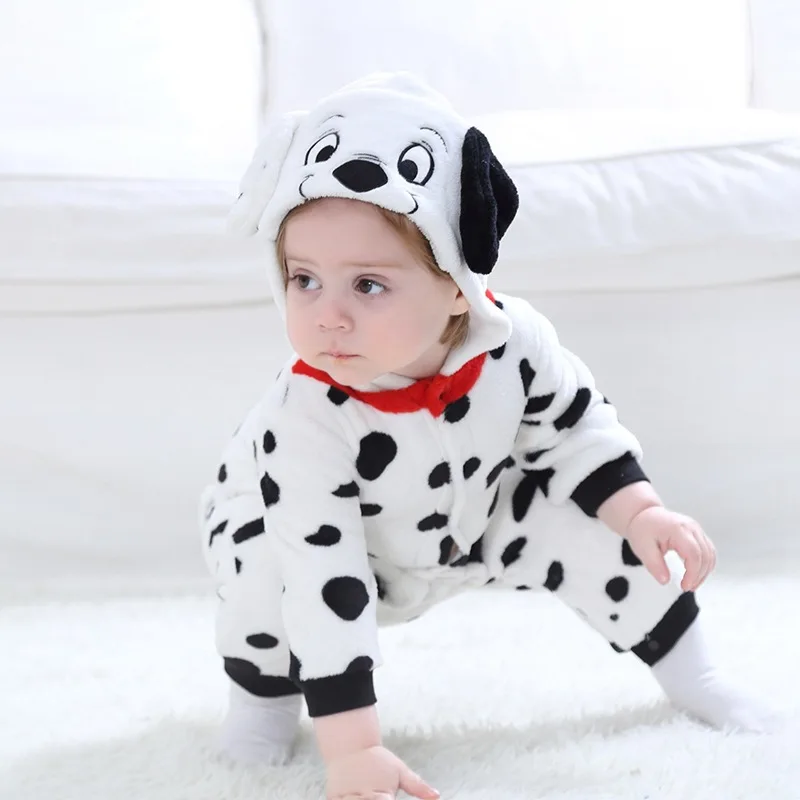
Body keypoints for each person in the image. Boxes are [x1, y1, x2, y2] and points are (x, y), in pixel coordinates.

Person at [199, 72, 778, 800]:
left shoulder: (513, 340)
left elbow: (577, 428)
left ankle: (699, 673)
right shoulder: (305, 416)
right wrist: (354, 750)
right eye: (303, 280)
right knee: (264, 574)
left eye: (368, 285)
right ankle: (262, 705)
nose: (327, 316)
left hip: (474, 518)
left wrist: (642, 512)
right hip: (321, 549)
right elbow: (324, 575)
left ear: (456, 285)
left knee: (600, 525)